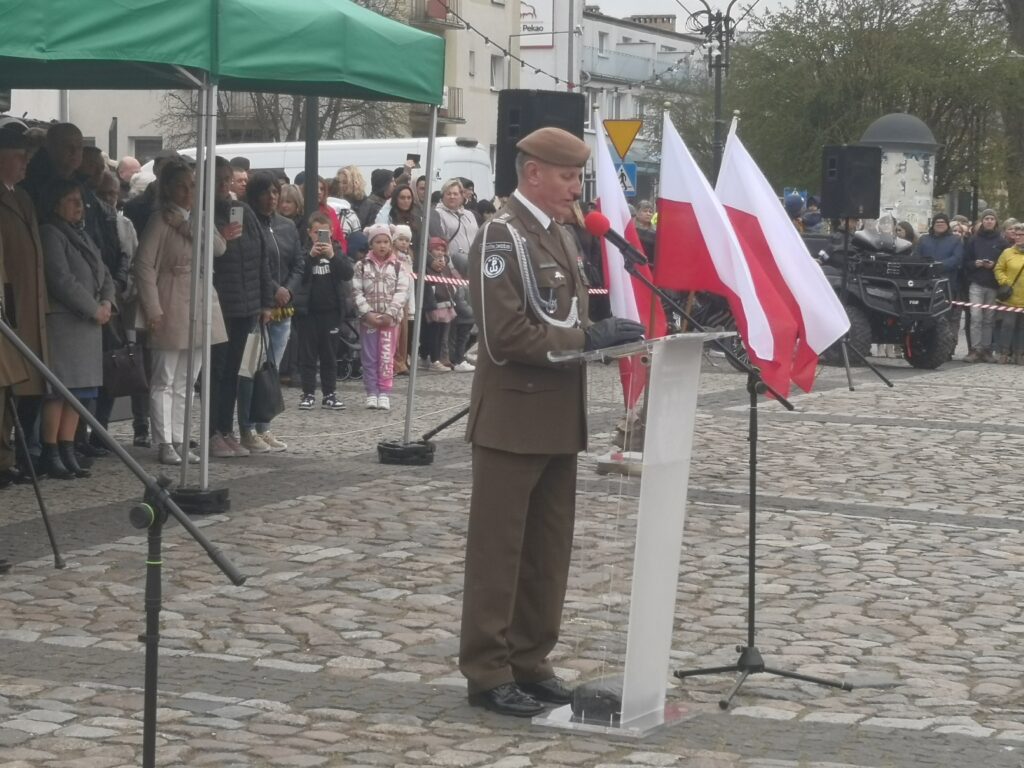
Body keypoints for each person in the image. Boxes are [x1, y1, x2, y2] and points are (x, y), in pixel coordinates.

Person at [458, 126, 644, 717]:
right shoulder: (500, 237)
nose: (575, 188)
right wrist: (588, 336)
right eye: (567, 176)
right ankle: (489, 671)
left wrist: (599, 336)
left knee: (547, 550)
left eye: (578, 177)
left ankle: (530, 660)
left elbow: (562, 317)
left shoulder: (561, 234)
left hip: (559, 416)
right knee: (499, 552)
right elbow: (505, 333)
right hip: (514, 416)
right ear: (533, 172)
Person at [134, 161, 227, 465]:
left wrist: (188, 227)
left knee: (188, 379)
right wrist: (152, 307)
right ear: (168, 188)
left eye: (192, 186)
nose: (188, 192)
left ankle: (181, 437)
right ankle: (164, 440)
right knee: (165, 376)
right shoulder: (159, 221)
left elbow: (217, 247)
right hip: (170, 298)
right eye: (181, 186)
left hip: (199, 300)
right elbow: (144, 265)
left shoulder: (198, 218)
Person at [38, 178, 115, 479]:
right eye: (71, 200)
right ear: (56, 203)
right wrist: (92, 308)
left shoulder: (81, 235)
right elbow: (60, 279)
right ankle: (50, 449)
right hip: (66, 324)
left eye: (80, 201)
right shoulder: (51, 233)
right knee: (60, 392)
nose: (78, 207)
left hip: (89, 325)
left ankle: (68, 447)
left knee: (80, 393)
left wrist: (107, 301)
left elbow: (103, 271)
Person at [208, 157, 274, 459]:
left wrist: (264, 301)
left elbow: (261, 257)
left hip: (246, 305)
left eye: (227, 179)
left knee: (236, 371)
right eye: (219, 180)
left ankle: (226, 428)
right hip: (220, 304)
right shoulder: (204, 212)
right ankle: (212, 431)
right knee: (216, 371)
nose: (224, 186)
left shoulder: (244, 211)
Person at [236, 172, 305, 452]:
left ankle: (264, 426)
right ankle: (247, 429)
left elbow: (299, 262)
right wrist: (273, 290)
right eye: (266, 192)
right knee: (250, 371)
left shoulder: (287, 226)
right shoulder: (249, 223)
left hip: (282, 309)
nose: (272, 197)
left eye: (275, 192)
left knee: (269, 371)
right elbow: (254, 263)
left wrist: (287, 289)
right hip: (258, 307)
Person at [0, 119, 33, 488]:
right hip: (6, 303)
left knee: (10, 390)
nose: (25, 163)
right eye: (18, 157)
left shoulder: (21, 197)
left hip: (21, 303)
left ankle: (6, 457)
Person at [294, 212, 353, 411]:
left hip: (331, 313)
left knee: (329, 355)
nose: (320, 237)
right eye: (317, 233)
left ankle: (329, 393)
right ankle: (308, 392)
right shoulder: (302, 253)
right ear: (309, 233)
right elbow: (298, 274)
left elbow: (347, 273)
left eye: (325, 233)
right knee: (307, 355)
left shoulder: (336, 251)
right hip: (308, 313)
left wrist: (332, 256)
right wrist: (310, 256)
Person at [352, 223, 410, 411]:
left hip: (389, 320)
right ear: (371, 244)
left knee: (386, 356)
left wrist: (390, 313)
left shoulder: (398, 266)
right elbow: (356, 291)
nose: (382, 246)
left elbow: (402, 292)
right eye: (378, 242)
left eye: (386, 241)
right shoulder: (361, 266)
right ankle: (371, 392)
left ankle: (384, 392)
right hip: (369, 319)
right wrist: (367, 312)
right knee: (369, 357)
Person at [962, 209, 1007, 363]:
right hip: (976, 283)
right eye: (986, 218)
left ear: (996, 222)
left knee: (989, 318)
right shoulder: (974, 240)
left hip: (993, 284)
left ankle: (986, 349)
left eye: (991, 219)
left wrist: (994, 265)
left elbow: (1004, 263)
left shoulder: (1002, 242)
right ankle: (975, 349)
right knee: (975, 317)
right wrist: (975, 264)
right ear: (982, 221)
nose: (989, 221)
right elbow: (965, 262)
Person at [420, 237, 457, 371]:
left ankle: (433, 358)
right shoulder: (428, 265)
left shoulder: (444, 265)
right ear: (430, 250)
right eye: (437, 249)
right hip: (434, 303)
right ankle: (432, 359)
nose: (440, 252)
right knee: (432, 332)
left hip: (445, 302)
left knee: (440, 333)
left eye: (442, 250)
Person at [429, 178, 479, 276]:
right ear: (443, 196)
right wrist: (451, 269)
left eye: (455, 194)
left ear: (461, 196)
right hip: (454, 267)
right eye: (448, 194)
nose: (452, 197)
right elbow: (440, 245)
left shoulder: (470, 214)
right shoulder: (437, 214)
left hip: (474, 266)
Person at [994, 223, 1024, 364]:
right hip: (1010, 297)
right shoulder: (1008, 252)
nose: (1018, 237)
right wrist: (1004, 282)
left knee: (1022, 328)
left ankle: (1019, 354)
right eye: (1016, 235)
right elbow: (998, 269)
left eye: (1021, 235)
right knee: (1007, 326)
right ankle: (1004, 352)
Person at [390, 224, 417, 375]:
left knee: (404, 333)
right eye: (401, 239)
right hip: (395, 298)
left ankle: (402, 360)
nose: (404, 243)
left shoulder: (408, 257)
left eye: (407, 240)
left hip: (406, 299)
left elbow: (411, 280)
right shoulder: (392, 257)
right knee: (395, 332)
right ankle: (394, 362)